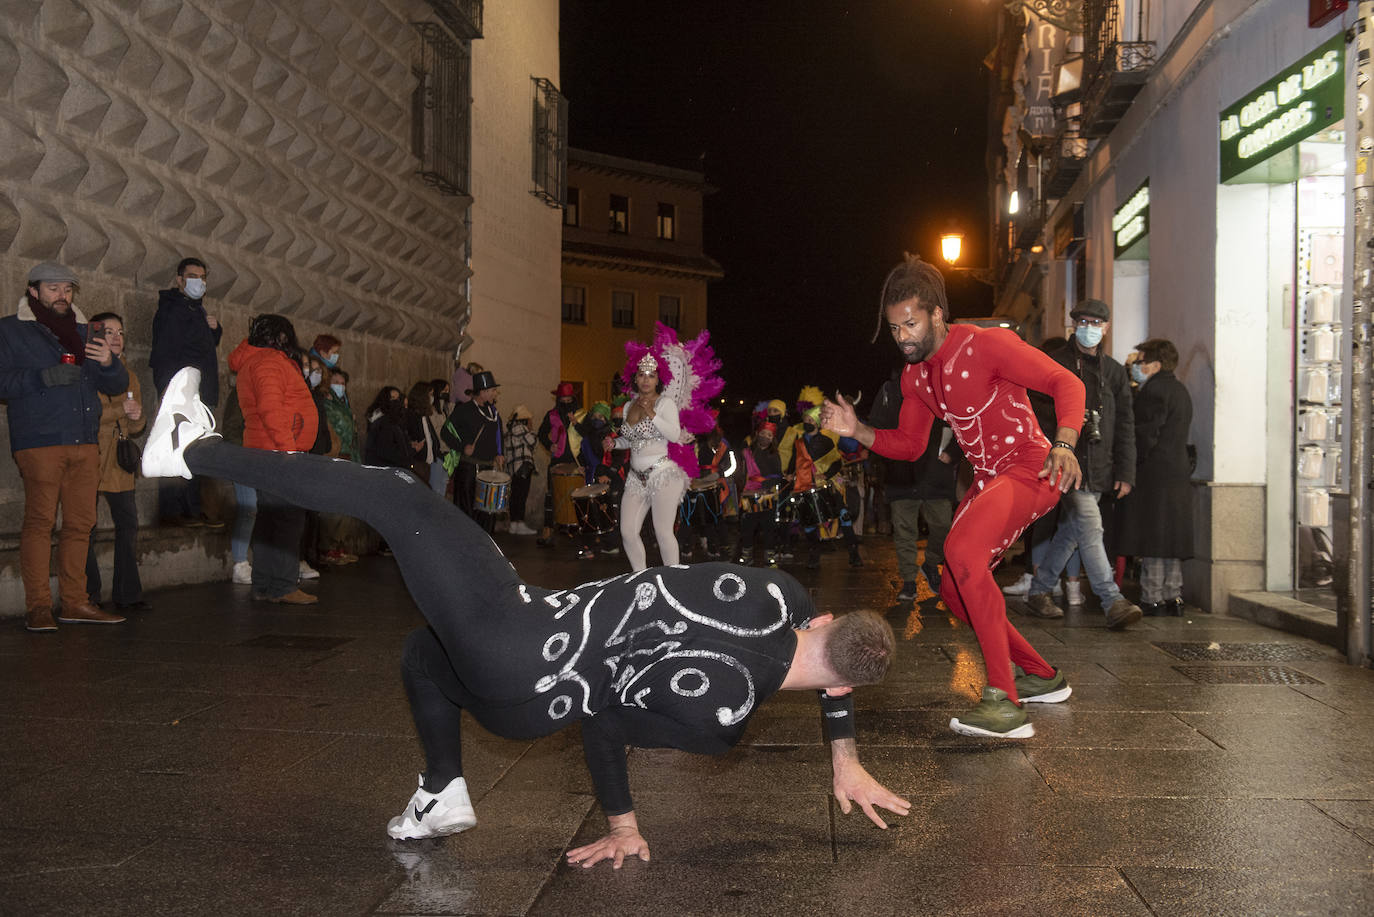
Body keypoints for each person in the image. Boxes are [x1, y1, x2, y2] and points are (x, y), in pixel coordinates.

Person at [142, 365, 910, 866]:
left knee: (396, 496)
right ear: (833, 681)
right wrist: (623, 824)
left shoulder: (784, 593)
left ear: (825, 619)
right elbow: (606, 725)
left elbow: (831, 661)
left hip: (520, 639)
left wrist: (843, 749)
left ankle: (192, 448)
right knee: (422, 655)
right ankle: (441, 791)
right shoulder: (726, 719)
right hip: (525, 667)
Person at [822, 255, 1085, 739]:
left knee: (962, 555)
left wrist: (1065, 442)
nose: (902, 336)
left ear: (937, 313)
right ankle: (1043, 677)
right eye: (894, 327)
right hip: (989, 481)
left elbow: (1065, 381)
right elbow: (910, 445)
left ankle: (1004, 703)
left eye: (911, 323)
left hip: (1033, 468)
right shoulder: (915, 377)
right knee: (952, 589)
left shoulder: (989, 345)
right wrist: (857, 429)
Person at [1, 261, 129, 631]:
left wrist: (109, 362)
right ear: (34, 291)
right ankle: (38, 607)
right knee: (40, 523)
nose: (62, 295)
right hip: (40, 440)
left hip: (84, 440)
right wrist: (42, 377)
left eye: (67, 289)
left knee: (80, 524)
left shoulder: (86, 331)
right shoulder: (11, 330)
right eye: (53, 288)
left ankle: (75, 603)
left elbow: (115, 383)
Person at [1024, 299, 1141, 629]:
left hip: (1100, 465)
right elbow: (1035, 409)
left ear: (1106, 328)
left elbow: (1125, 424)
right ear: (1074, 325)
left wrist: (1126, 472)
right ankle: (1111, 599)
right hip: (1062, 461)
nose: (1090, 328)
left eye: (1097, 323)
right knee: (1090, 525)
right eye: (1083, 321)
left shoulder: (1115, 371)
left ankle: (1039, 590)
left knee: (1071, 533)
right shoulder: (1054, 363)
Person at [227, 314, 319, 605]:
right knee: (288, 521)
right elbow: (271, 409)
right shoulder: (269, 362)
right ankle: (282, 584)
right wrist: (288, 449)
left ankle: (265, 584)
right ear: (280, 337)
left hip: (265, 451)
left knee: (269, 521)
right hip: (277, 452)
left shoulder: (255, 360)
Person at [1117, 338, 1194, 616]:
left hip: (1154, 476)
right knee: (1171, 539)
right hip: (1178, 473)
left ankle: (1152, 597)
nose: (1136, 367)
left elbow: (1144, 435)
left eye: (1141, 362)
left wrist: (1128, 465)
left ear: (1156, 365)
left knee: (1153, 537)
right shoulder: (1180, 390)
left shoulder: (1154, 391)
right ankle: (1174, 596)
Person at [867, 374, 959, 602]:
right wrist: (882, 458)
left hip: (935, 475)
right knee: (904, 531)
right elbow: (876, 426)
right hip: (901, 475)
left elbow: (962, 421)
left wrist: (953, 454)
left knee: (943, 527)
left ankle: (930, 564)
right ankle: (909, 582)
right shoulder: (890, 388)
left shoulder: (942, 385)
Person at [149, 256, 223, 529]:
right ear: (179, 279)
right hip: (182, 395)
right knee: (176, 451)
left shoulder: (196, 310)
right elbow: (166, 355)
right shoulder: (172, 310)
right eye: (192, 276)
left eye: (203, 278)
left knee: (195, 453)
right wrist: (175, 395)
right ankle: (173, 511)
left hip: (198, 395)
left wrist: (215, 330)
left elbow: (199, 348)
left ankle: (194, 509)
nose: (198, 282)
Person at [83, 313, 150, 613]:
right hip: (91, 456)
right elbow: (86, 413)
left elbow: (136, 424)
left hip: (119, 460)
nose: (116, 337)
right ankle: (87, 595)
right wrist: (118, 412)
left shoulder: (128, 373)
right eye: (108, 331)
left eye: (120, 332)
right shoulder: (85, 371)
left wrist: (138, 417)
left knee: (128, 524)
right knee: (85, 527)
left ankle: (128, 593)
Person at [616, 355, 688, 570]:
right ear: (635, 379)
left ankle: (673, 580)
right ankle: (640, 577)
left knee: (663, 532)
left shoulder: (665, 404)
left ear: (658, 380)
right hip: (635, 478)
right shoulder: (629, 406)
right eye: (641, 375)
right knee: (627, 531)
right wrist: (614, 444)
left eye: (652, 375)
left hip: (662, 475)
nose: (646, 380)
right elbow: (629, 440)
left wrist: (652, 414)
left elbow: (675, 435)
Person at [445, 370, 505, 520]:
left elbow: (498, 435)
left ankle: (484, 543)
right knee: (466, 515)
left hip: (488, 470)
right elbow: (446, 432)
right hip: (468, 471)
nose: (495, 394)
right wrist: (462, 447)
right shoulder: (464, 410)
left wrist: (499, 453)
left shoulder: (494, 413)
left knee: (487, 513)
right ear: (482, 392)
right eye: (492, 390)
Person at [735, 420, 785, 566]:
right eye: (763, 433)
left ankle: (769, 556)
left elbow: (777, 476)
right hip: (749, 494)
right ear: (757, 434)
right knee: (747, 527)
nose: (765, 437)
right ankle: (747, 555)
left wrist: (765, 485)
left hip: (768, 495)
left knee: (768, 527)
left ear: (772, 438)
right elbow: (739, 473)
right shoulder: (747, 452)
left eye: (769, 435)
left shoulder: (774, 454)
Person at [536, 381, 579, 546]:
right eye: (564, 399)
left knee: (578, 495)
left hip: (577, 460)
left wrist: (578, 424)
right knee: (551, 495)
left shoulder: (581, 414)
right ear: (558, 399)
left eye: (569, 399)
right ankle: (548, 529)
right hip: (558, 459)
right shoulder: (551, 415)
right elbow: (541, 433)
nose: (566, 402)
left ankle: (579, 529)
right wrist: (549, 445)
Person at [504, 404, 539, 535]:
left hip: (513, 469)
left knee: (515, 496)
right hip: (523, 466)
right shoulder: (521, 428)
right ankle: (520, 523)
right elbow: (533, 442)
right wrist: (532, 430)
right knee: (522, 495)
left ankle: (514, 524)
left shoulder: (510, 429)